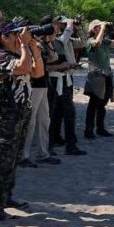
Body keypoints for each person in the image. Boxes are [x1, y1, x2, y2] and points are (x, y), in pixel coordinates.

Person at [0, 23, 36, 221]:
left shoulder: (15, 55)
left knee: (12, 161)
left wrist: (32, 47)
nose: (18, 37)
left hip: (18, 115)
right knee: (1, 163)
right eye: (15, 34)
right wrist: (24, 45)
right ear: (4, 37)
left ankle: (6, 197)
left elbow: (37, 72)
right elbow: (24, 67)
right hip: (4, 118)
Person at [19, 19, 59, 168]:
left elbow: (53, 58)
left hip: (43, 84)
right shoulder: (22, 45)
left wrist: (48, 41)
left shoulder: (38, 44)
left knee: (44, 120)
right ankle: (23, 156)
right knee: (30, 122)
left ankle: (43, 153)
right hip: (32, 86)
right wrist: (29, 43)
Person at [48, 16, 86, 156]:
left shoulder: (67, 39)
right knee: (61, 112)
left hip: (66, 78)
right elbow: (62, 40)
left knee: (61, 112)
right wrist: (69, 26)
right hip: (55, 79)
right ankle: (66, 144)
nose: (62, 26)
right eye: (60, 24)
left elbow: (83, 42)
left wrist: (78, 28)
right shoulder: (54, 40)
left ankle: (59, 140)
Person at [84, 20, 114, 139]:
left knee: (102, 105)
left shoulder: (105, 41)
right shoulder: (90, 41)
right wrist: (102, 28)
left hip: (107, 75)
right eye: (98, 27)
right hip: (96, 77)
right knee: (93, 104)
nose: (102, 28)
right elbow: (97, 43)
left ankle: (100, 129)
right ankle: (88, 130)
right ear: (93, 29)